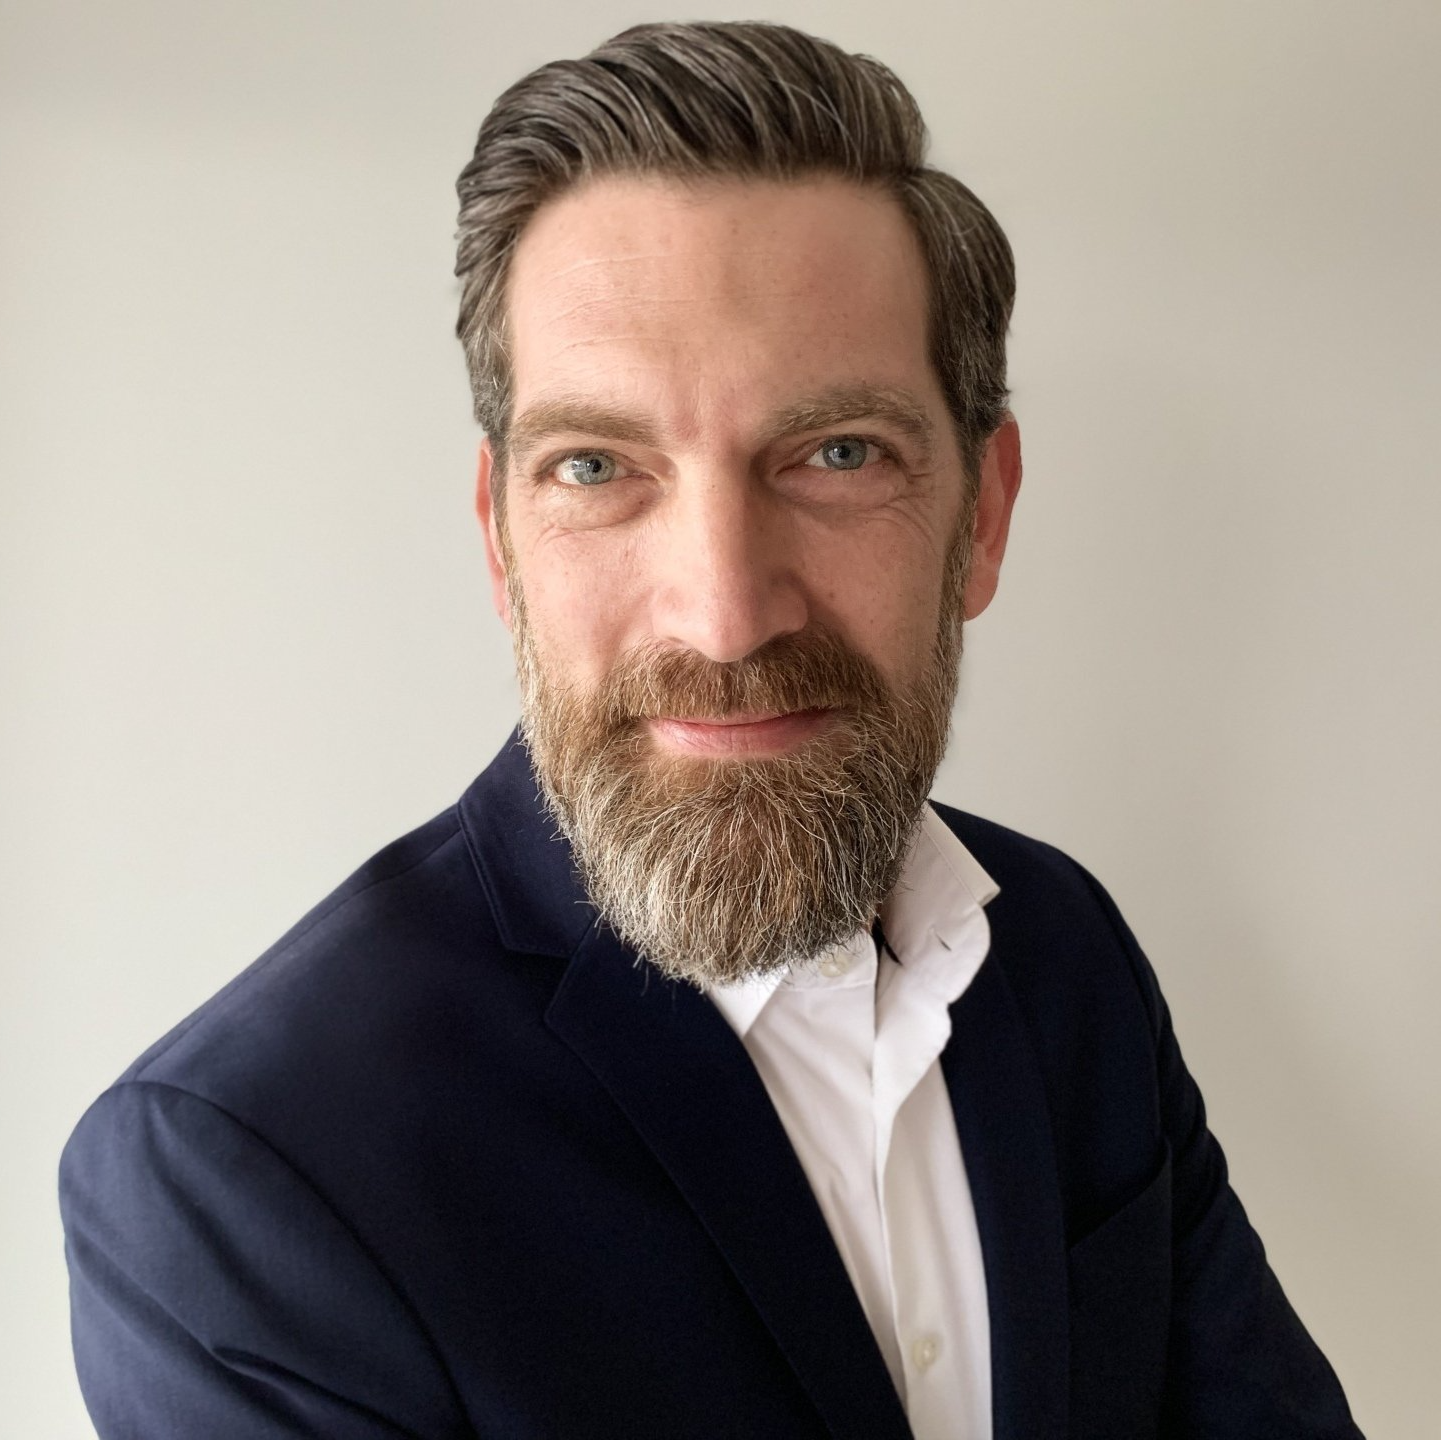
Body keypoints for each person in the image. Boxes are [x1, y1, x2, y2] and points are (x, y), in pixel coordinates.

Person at [59, 20, 1362, 1440]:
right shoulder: (245, 1179)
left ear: (983, 515)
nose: (728, 616)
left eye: (837, 454)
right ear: (502, 541)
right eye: (599, 466)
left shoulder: (1066, 954)